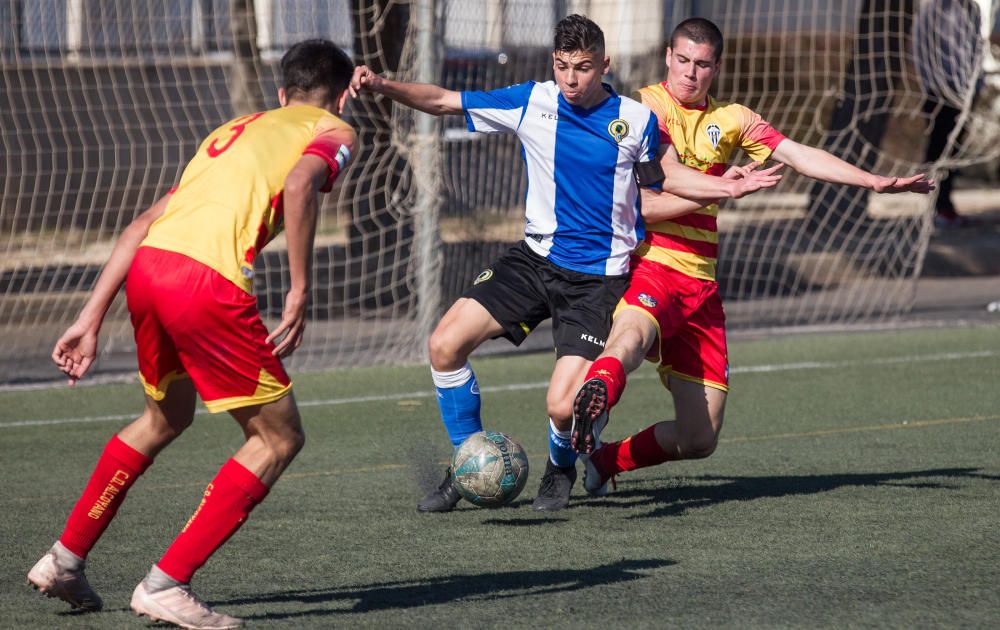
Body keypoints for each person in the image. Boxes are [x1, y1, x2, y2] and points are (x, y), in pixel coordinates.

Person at [350, 14, 781, 512]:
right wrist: (382, 85)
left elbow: (666, 176)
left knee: (561, 405)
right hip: (533, 261)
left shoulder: (635, 119)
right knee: (444, 345)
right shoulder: (533, 100)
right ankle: (468, 463)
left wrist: (728, 185)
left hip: (595, 282)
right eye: (562, 67)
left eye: (582, 67)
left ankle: (561, 467)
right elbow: (445, 101)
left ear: (604, 65)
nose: (571, 80)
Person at [26, 39, 356, 629]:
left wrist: (88, 318)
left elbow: (140, 224)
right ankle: (166, 583)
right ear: (343, 94)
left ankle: (64, 558)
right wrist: (301, 290)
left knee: (163, 417)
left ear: (281, 93)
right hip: (206, 283)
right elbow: (304, 186)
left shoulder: (233, 130)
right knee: (278, 439)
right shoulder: (333, 130)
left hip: (150, 270)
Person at [571, 18, 934, 494]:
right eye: (682, 61)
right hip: (651, 263)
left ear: (716, 67)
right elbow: (650, 195)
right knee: (632, 337)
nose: (690, 73)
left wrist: (873, 180)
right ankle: (594, 398)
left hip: (701, 286)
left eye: (702, 65)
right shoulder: (641, 108)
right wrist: (725, 187)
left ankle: (605, 459)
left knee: (700, 438)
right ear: (667, 57)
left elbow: (799, 154)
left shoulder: (733, 119)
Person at [912, 0, 985, 228]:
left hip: (963, 90)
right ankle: (938, 208)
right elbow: (921, 48)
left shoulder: (970, 9)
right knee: (940, 149)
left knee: (953, 150)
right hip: (940, 91)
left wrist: (976, 83)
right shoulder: (934, 10)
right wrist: (933, 85)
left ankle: (944, 206)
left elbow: (974, 48)